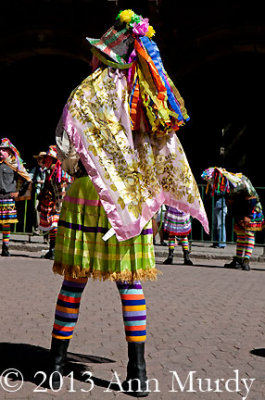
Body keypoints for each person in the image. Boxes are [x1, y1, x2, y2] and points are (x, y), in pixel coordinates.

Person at [48, 9, 209, 395]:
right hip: (130, 199)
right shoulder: (149, 95)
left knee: (73, 283)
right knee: (131, 285)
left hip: (89, 195)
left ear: (104, 56)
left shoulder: (87, 91)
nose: (91, 57)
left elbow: (67, 149)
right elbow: (162, 149)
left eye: (96, 52)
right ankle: (138, 372)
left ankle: (55, 365)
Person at [37, 145, 72, 259]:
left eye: (48, 158)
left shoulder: (58, 171)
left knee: (55, 225)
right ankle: (52, 249)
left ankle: (55, 250)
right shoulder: (52, 171)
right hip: (53, 202)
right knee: (53, 226)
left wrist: (59, 204)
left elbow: (61, 189)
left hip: (58, 203)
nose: (45, 160)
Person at [224, 174, 265, 271]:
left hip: (252, 209)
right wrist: (238, 217)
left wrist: (248, 216)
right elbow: (231, 203)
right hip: (240, 210)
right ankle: (238, 259)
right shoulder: (225, 187)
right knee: (240, 234)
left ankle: (246, 259)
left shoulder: (241, 182)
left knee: (249, 233)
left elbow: (252, 200)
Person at [0, 138, 31, 256]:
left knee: (6, 223)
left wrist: (19, 193)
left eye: (4, 149)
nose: (1, 151)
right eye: (0, 149)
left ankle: (5, 247)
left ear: (10, 151)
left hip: (7, 196)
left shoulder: (15, 164)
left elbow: (27, 179)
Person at [29, 151, 47, 232]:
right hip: (38, 192)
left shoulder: (50, 169)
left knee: (47, 210)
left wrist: (45, 182)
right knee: (36, 209)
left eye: (43, 160)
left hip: (47, 194)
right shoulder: (35, 169)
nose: (41, 161)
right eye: (40, 160)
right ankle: (38, 227)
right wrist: (36, 181)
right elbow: (29, 178)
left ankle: (46, 232)